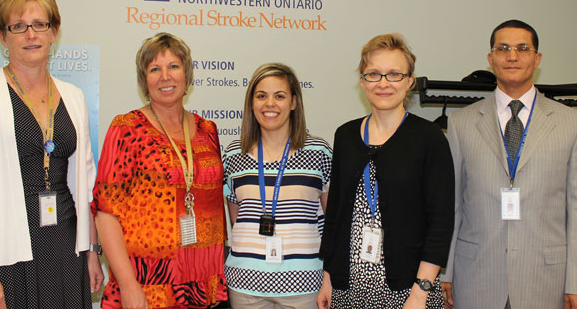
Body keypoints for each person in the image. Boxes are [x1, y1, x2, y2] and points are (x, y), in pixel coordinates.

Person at [0, 0, 104, 309]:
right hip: (3, 250)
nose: (31, 34)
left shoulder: (73, 96)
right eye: (18, 26)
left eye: (40, 24)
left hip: (65, 244)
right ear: (3, 36)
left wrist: (92, 252)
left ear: (54, 31)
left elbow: (86, 184)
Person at [441, 20, 577, 309]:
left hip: (546, 279)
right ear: (491, 60)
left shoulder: (571, 123)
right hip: (475, 275)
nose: (512, 56)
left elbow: (575, 207)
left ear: (537, 59)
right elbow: (453, 205)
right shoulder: (461, 122)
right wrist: (447, 271)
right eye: (503, 49)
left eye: (522, 48)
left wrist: (574, 281)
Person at [318, 34, 454, 309]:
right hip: (348, 289)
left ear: (410, 80)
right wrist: (328, 277)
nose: (383, 83)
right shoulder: (345, 135)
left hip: (408, 291)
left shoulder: (429, 138)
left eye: (394, 74)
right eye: (374, 74)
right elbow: (335, 214)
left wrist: (421, 291)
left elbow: (440, 221)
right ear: (362, 80)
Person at [92, 32, 227, 308]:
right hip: (148, 284)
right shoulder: (126, 128)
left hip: (203, 281)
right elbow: (106, 214)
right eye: (155, 69)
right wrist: (128, 285)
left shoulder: (207, 130)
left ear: (187, 76)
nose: (165, 76)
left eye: (173, 67)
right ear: (145, 81)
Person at [223, 63, 332, 308]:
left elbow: (332, 221)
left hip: (304, 285)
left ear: (294, 102)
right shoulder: (233, 154)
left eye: (279, 96)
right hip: (245, 284)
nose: (269, 104)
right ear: (252, 103)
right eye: (261, 96)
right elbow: (237, 220)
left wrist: (329, 277)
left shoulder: (319, 152)